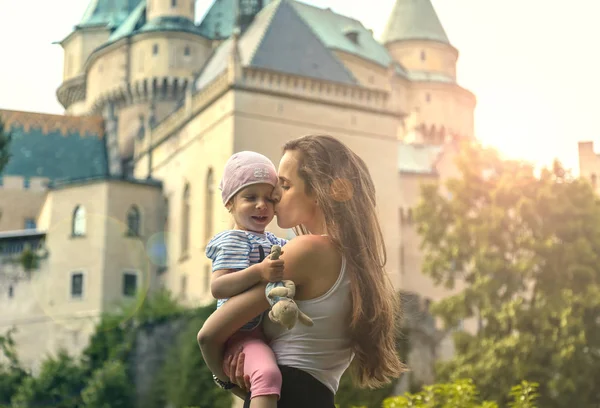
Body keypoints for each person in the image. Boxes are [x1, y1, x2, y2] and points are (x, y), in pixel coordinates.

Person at [198, 135, 405, 407]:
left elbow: (209, 334)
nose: (273, 196)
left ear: (321, 191)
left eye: (284, 185)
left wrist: (226, 380)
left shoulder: (306, 250)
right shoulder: (359, 267)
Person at [205, 151, 291, 408]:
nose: (261, 205)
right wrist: (259, 272)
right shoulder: (233, 240)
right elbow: (218, 287)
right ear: (230, 203)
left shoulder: (273, 241)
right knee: (267, 374)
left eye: (268, 198)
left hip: (264, 331)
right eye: (250, 197)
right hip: (240, 334)